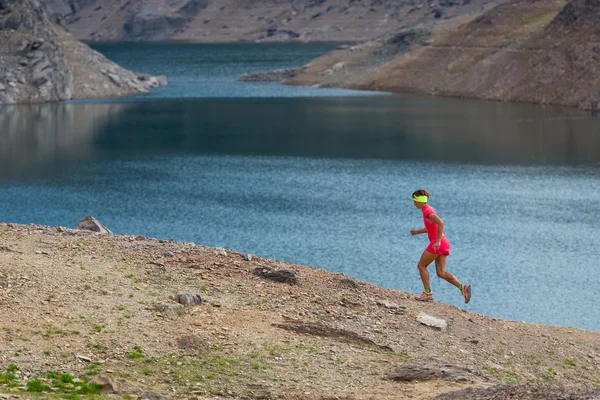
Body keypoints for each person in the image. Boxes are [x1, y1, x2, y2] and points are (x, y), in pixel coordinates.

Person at [410, 189, 471, 303]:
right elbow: (432, 228)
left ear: (420, 201)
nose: (414, 204)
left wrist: (437, 241)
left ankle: (427, 293)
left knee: (421, 266)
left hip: (438, 244)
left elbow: (441, 223)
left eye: (415, 201)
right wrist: (417, 232)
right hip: (443, 243)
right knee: (441, 273)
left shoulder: (427, 211)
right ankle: (463, 288)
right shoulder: (429, 209)